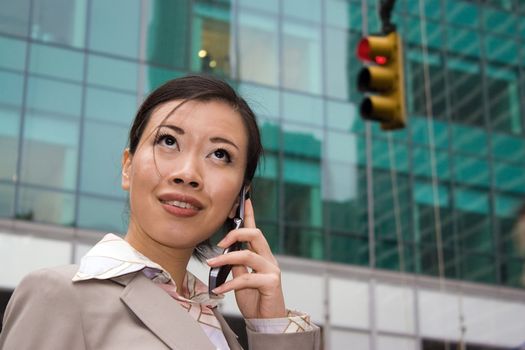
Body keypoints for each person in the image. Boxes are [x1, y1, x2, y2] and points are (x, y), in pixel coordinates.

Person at [0, 75, 321, 349]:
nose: (188, 173)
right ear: (128, 167)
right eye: (168, 141)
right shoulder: (59, 295)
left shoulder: (218, 326)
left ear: (240, 196)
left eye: (220, 154)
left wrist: (270, 328)